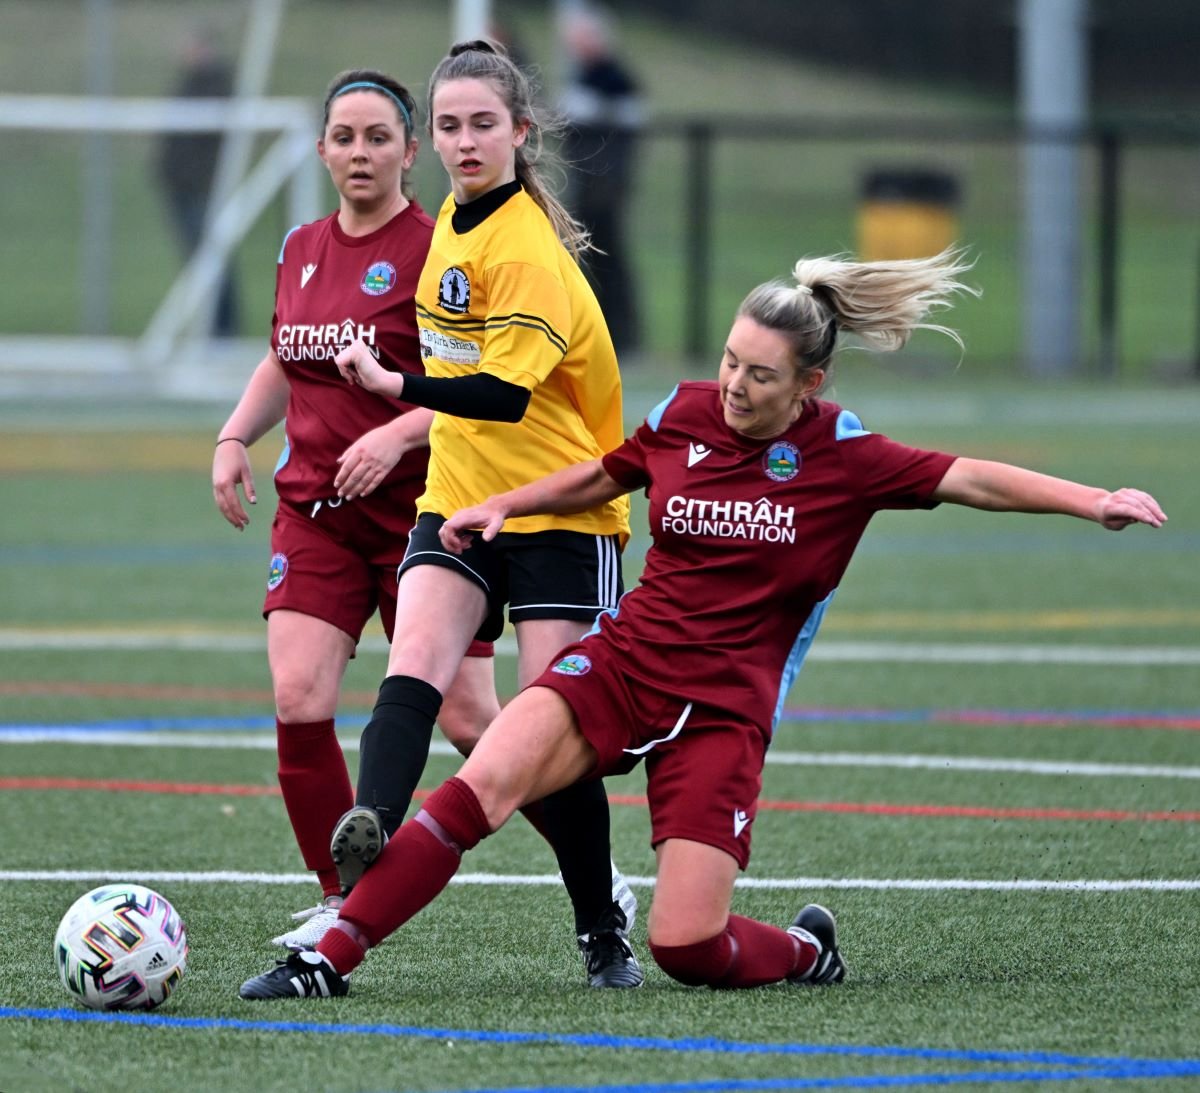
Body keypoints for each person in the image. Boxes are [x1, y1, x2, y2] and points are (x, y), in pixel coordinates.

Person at [237, 245, 1167, 999]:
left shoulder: (847, 457)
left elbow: (973, 478)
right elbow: (606, 472)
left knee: (686, 944)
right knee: (483, 781)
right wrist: (508, 505)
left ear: (811, 382)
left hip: (723, 707)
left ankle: (805, 951)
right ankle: (330, 955)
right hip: (626, 662)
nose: (733, 385)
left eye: (760, 376)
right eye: (729, 360)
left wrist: (1094, 500)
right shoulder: (684, 413)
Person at [276, 40, 642, 989]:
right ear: (432, 139)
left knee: (546, 732)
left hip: (563, 509)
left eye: (485, 123)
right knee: (413, 675)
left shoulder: (525, 249)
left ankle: (602, 922)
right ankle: (361, 864)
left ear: (522, 132)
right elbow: (461, 387)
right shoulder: (453, 217)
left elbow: (501, 396)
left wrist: (392, 387)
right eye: (449, 125)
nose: (466, 139)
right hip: (460, 501)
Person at [559, 3, 644, 356]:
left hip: (605, 191)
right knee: (586, 259)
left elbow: (629, 120)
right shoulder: (583, 77)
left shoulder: (615, 78)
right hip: (585, 189)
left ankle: (622, 336)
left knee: (609, 260)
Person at [158, 28, 240, 336]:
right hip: (181, 187)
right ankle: (213, 328)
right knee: (200, 260)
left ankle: (222, 330)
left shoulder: (213, 85)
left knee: (211, 259)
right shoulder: (188, 83)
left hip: (200, 189)